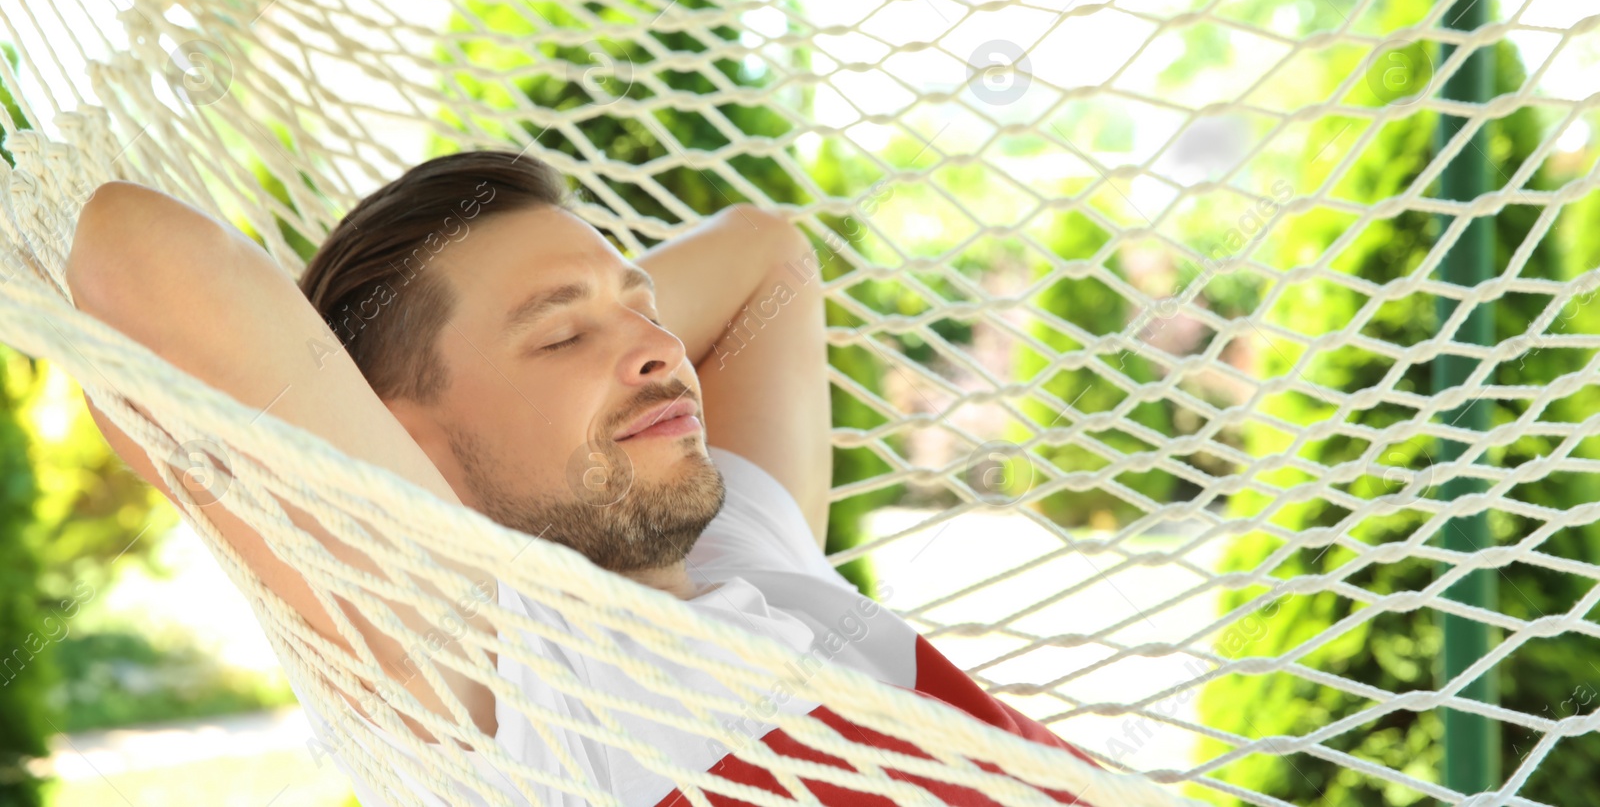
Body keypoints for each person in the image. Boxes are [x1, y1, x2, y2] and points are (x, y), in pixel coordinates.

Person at [65, 150, 1106, 807]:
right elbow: (134, 252)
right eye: (558, 333)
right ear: (400, 452)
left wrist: (597, 327)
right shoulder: (503, 674)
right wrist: (319, 454)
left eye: (645, 304)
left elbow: (764, 254)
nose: (662, 346)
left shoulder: (744, 551)